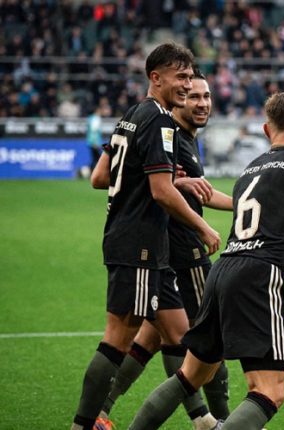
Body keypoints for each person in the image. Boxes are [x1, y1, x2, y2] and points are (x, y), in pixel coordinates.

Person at [127, 91, 284, 429]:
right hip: (258, 278)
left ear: (266, 130)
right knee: (269, 391)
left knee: (190, 376)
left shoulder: (251, 169)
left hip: (222, 271)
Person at [71, 42, 221, 430]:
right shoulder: (160, 121)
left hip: (145, 246)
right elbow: (161, 192)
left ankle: (202, 419)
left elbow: (101, 177)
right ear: (156, 78)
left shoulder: (133, 114)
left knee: (178, 334)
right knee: (118, 339)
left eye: (190, 77)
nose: (186, 84)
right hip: (139, 242)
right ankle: (85, 424)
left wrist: (167, 181)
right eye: (180, 77)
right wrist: (203, 225)